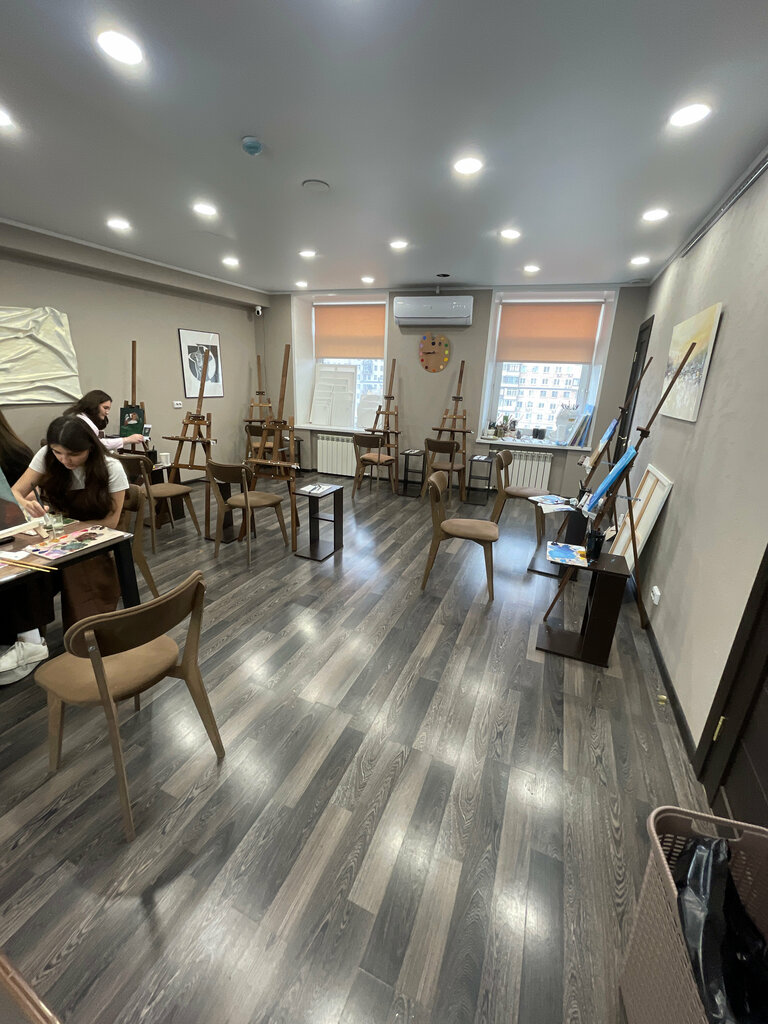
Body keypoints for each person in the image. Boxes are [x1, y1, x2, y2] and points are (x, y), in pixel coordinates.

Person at [12, 416, 128, 635]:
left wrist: (63, 532)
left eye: (74, 454)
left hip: (96, 535)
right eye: (58, 452)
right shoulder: (47, 456)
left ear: (90, 447)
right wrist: (26, 504)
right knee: (26, 572)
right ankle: (31, 640)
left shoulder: (111, 468)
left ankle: (86, 638)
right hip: (55, 532)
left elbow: (110, 522)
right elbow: (15, 492)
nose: (65, 460)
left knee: (78, 570)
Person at [0, 410, 52, 684]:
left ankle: (29, 640)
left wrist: (19, 504)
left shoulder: (14, 453)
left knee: (16, 565)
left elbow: (31, 496)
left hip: (21, 535)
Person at [65, 390, 145, 449]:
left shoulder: (78, 418)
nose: (107, 412)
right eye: (105, 408)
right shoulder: (83, 423)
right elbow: (98, 445)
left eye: (108, 409)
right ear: (94, 405)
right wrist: (128, 440)